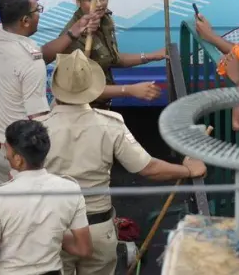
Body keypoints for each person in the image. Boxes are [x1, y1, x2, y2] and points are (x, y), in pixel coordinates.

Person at [44, 51, 205, 275]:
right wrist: (187, 170)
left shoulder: (38, 128)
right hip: (97, 227)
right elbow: (149, 168)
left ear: (55, 89)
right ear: (93, 88)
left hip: (53, 228)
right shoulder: (111, 124)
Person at [0, 118, 92, 274]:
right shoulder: (70, 189)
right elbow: (84, 249)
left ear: (18, 160)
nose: (5, 154)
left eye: (7, 149)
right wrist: (51, 234)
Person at [45, 0, 166, 105]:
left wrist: (152, 56)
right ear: (78, 1)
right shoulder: (72, 37)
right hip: (78, 110)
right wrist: (129, 90)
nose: (98, 4)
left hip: (100, 106)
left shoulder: (104, 20)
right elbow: (81, 89)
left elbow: (113, 59)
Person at [0, 0, 51, 185]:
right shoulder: (31, 61)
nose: (39, 14)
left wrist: (71, 34)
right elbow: (38, 119)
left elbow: (34, 57)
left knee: (3, 199)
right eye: (37, 10)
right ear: (25, 20)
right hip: (23, 156)